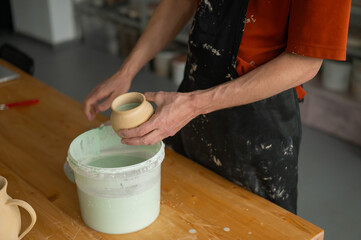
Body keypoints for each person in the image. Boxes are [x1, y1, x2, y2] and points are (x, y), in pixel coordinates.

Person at [84, 0, 351, 214]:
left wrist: (193, 105)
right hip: (191, 97)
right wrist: (126, 70)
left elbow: (306, 62)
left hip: (257, 121)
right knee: (189, 211)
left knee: (254, 224)